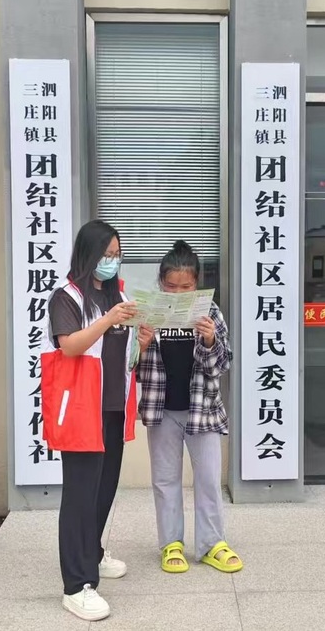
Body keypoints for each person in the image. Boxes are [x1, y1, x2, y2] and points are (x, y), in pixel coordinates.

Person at [41, 220, 141, 622]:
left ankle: (93, 553)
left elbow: (121, 351)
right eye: (106, 254)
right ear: (88, 254)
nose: (112, 261)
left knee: (104, 489)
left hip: (113, 405)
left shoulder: (119, 295)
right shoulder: (66, 298)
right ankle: (76, 585)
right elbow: (70, 346)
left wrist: (141, 339)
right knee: (80, 496)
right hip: (82, 408)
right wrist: (107, 319)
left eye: (117, 254)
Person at [138, 240, 242, 575]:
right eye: (171, 286)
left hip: (203, 410)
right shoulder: (148, 312)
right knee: (165, 480)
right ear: (161, 282)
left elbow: (222, 366)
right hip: (161, 410)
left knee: (209, 478)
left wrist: (210, 340)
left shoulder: (210, 312)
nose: (179, 293)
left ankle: (212, 544)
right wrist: (140, 347)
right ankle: (171, 543)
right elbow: (130, 369)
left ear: (197, 283)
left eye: (186, 287)